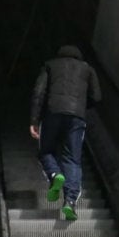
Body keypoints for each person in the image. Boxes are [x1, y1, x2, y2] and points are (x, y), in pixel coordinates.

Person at [29, 45, 102, 221]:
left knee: (45, 150)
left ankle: (55, 175)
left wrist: (34, 120)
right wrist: (81, 107)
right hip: (77, 117)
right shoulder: (87, 69)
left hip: (53, 113)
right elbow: (97, 96)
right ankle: (70, 202)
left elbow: (38, 93)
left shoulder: (50, 65)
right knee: (73, 160)